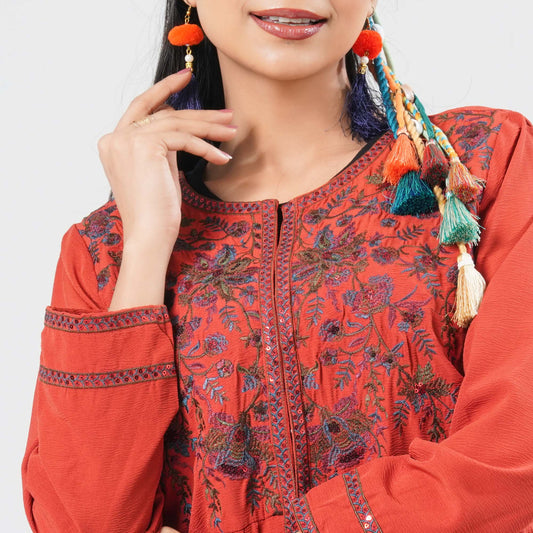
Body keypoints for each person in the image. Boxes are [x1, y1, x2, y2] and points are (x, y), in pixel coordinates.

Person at [21, 0, 533, 531]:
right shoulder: (104, 251)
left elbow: (511, 461)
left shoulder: (478, 167)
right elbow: (80, 519)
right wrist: (147, 243)